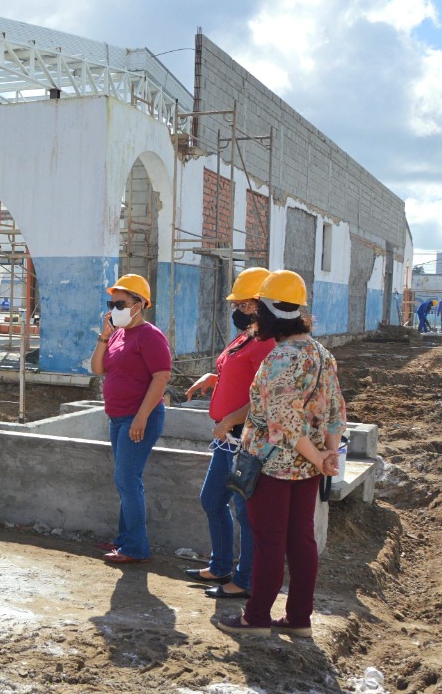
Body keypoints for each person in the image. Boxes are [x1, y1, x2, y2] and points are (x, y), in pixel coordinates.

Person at [214, 270, 345, 637]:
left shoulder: (280, 359)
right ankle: (299, 619)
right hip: (308, 468)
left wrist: (321, 459)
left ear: (272, 313)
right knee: (301, 540)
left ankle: (256, 618)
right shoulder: (322, 354)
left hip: (271, 467)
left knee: (269, 542)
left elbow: (284, 424)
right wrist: (328, 455)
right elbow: (335, 412)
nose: (254, 320)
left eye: (258, 314)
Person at [184, 267, 276, 599]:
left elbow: (264, 399)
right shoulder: (246, 336)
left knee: (244, 511)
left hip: (244, 437)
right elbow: (234, 371)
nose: (238, 310)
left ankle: (244, 579)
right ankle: (221, 565)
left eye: (246, 305)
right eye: (237, 304)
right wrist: (213, 379)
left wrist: (230, 420)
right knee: (212, 500)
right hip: (228, 438)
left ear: (264, 304)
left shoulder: (268, 344)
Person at [90, 273, 171, 564]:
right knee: (124, 480)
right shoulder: (120, 334)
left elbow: (161, 376)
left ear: (139, 304)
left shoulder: (150, 335)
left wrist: (141, 417)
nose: (114, 308)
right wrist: (104, 336)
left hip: (139, 418)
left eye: (120, 303)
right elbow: (98, 368)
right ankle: (125, 540)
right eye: (111, 303)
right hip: (118, 417)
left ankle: (135, 546)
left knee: (127, 479)